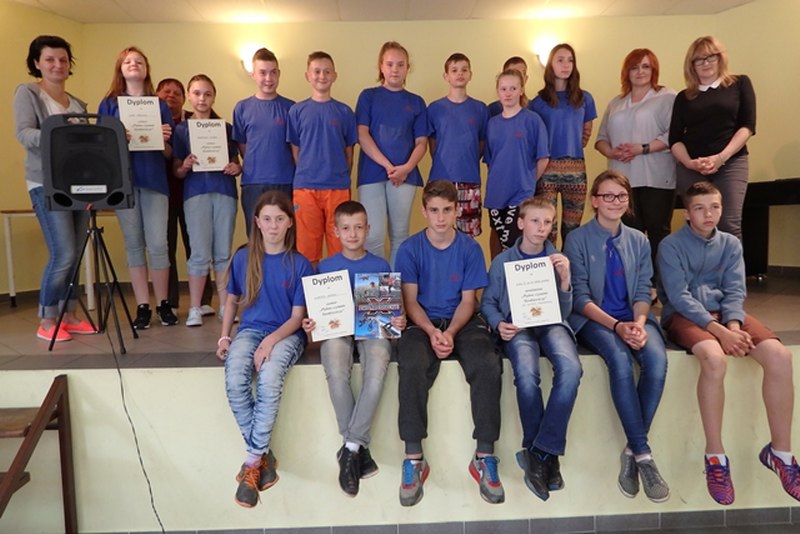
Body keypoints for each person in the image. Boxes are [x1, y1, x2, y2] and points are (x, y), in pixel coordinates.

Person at [657, 181, 799, 506]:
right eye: (699, 208)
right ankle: (716, 457)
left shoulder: (731, 243)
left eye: (714, 207)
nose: (708, 214)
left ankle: (780, 453)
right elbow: (679, 297)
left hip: (725, 315)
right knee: (714, 358)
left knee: (780, 356)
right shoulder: (671, 245)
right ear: (687, 213)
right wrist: (720, 333)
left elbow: (735, 289)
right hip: (685, 315)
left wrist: (733, 325)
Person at [395, 179, 504, 506]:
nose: (440, 217)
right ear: (424, 211)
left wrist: (451, 333)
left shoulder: (470, 248)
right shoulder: (410, 249)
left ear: (457, 210)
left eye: (446, 210)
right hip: (423, 322)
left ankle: (484, 455)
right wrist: (432, 332)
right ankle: (414, 457)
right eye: (434, 210)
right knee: (411, 364)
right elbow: (410, 302)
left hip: (462, 322)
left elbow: (468, 301)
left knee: (488, 363)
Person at [563, 170, 670, 503]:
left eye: (621, 196)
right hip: (596, 320)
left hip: (633, 317)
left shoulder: (639, 240)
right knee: (621, 362)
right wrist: (617, 327)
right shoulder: (577, 239)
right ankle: (644, 455)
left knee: (656, 361)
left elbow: (643, 290)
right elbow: (579, 298)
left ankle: (632, 451)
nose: (615, 201)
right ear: (595, 201)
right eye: (607, 195)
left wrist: (638, 323)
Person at [302, 200, 406, 497]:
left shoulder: (380, 266)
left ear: (368, 229)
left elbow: (392, 311)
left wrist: (398, 318)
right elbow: (316, 311)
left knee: (376, 372)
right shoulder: (325, 267)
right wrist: (311, 323)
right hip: (337, 333)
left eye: (359, 227)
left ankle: (349, 447)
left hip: (372, 333)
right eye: (346, 228)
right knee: (336, 371)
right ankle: (359, 450)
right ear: (335, 231)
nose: (352, 234)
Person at [481, 196, 582, 502]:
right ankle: (546, 457)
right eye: (535, 221)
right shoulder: (503, 262)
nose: (541, 228)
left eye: (547, 222)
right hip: (518, 326)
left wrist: (565, 280)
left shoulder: (558, 260)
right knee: (526, 375)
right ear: (521, 223)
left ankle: (539, 451)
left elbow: (565, 311)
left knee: (571, 369)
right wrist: (499, 323)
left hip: (552, 324)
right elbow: (488, 302)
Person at [216, 191, 313, 509]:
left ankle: (251, 462)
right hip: (249, 331)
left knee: (270, 378)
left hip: (287, 334)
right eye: (267, 219)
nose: (273, 226)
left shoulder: (300, 264)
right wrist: (224, 337)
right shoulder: (244, 257)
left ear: (290, 223)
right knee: (235, 378)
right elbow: (231, 300)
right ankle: (262, 458)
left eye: (280, 219)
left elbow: (297, 318)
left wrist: (271, 341)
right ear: (256, 222)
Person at [13, 35, 96, 342]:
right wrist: (60, 132)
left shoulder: (78, 103)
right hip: (45, 183)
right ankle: (47, 319)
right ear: (37, 63)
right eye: (49, 59)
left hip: (79, 185)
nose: (57, 65)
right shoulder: (28, 93)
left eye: (63, 60)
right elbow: (24, 134)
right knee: (63, 253)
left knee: (76, 254)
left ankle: (69, 315)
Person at [98, 46, 178, 329]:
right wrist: (118, 137)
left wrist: (164, 139)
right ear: (120, 69)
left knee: (158, 244)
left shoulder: (160, 105)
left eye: (139, 61)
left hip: (154, 180)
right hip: (124, 183)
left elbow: (169, 154)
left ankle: (163, 303)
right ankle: (142, 305)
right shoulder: (109, 104)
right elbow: (102, 148)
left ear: (146, 69)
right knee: (134, 245)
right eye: (128, 61)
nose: (134, 64)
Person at [595, 49, 676, 290]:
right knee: (629, 233)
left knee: (657, 231)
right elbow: (600, 138)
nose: (640, 72)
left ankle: (658, 286)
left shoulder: (667, 97)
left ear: (654, 70)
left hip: (656, 175)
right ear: (626, 72)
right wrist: (611, 152)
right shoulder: (616, 103)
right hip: (623, 179)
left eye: (645, 66)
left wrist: (642, 148)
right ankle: (634, 284)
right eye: (634, 67)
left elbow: (673, 135)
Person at [669, 36, 756, 240]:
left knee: (728, 223)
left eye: (710, 57)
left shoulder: (740, 84)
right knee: (696, 224)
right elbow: (674, 139)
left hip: (731, 163)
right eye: (699, 60)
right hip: (692, 168)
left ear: (720, 58)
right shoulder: (683, 97)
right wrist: (690, 163)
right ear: (691, 65)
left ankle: (731, 263)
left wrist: (721, 158)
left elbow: (748, 126)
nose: (705, 63)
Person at [172, 74, 241, 327]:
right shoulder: (182, 130)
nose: (202, 98)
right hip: (195, 194)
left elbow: (236, 163)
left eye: (207, 94)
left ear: (214, 97)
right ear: (189, 97)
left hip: (224, 192)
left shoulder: (226, 128)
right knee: (199, 253)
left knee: (223, 253)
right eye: (197, 93)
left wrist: (236, 168)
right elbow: (177, 171)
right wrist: (185, 165)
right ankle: (194, 308)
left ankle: (225, 307)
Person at [356, 41, 428, 268]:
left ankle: (396, 289)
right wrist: (388, 165)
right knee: (373, 237)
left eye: (400, 64)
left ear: (408, 68)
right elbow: (362, 134)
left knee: (400, 236)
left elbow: (421, 142)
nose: (395, 69)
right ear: (381, 66)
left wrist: (406, 168)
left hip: (405, 175)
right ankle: (378, 292)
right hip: (372, 174)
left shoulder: (416, 102)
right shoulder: (368, 96)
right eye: (390, 64)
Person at [287, 51, 357, 266]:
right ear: (307, 75)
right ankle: (309, 288)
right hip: (305, 188)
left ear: (335, 75)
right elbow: (296, 150)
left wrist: (339, 176)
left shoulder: (344, 111)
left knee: (340, 246)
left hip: (337, 187)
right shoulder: (296, 111)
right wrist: (309, 172)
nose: (322, 76)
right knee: (307, 249)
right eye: (316, 71)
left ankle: (339, 289)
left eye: (327, 71)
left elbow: (349, 152)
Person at [156, 77, 214, 317]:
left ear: (185, 98)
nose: (171, 95)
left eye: (176, 92)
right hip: (162, 193)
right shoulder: (150, 121)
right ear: (156, 96)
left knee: (198, 245)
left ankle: (203, 300)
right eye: (166, 92)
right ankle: (169, 301)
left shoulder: (196, 121)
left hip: (192, 192)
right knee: (165, 246)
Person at [531, 43, 597, 246]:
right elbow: (534, 138)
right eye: (560, 60)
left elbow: (586, 133)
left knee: (572, 229)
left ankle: (570, 266)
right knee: (546, 228)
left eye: (570, 60)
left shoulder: (584, 98)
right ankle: (549, 265)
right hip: (547, 169)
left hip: (576, 169)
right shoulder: (538, 102)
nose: (566, 65)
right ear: (550, 64)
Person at [484, 69, 549, 257]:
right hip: (496, 195)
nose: (508, 93)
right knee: (501, 245)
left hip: (521, 194)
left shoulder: (532, 120)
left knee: (516, 243)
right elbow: (490, 160)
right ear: (498, 91)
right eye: (503, 88)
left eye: (513, 88)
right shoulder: (492, 124)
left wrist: (528, 181)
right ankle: (500, 276)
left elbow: (543, 158)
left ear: (521, 90)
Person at [232, 48, 295, 236]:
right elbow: (243, 145)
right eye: (263, 72)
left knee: (285, 237)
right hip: (253, 183)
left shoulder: (292, 108)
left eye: (273, 72)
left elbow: (295, 147)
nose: (268, 78)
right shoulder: (242, 108)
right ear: (253, 74)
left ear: (279, 74)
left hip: (285, 181)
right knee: (256, 237)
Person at [427, 53, 489, 238]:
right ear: (446, 76)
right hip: (440, 179)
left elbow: (482, 142)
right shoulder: (434, 108)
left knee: (467, 235)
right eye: (454, 70)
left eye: (464, 70)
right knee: (439, 233)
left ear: (470, 74)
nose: (459, 74)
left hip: (469, 179)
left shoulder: (480, 108)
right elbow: (432, 144)